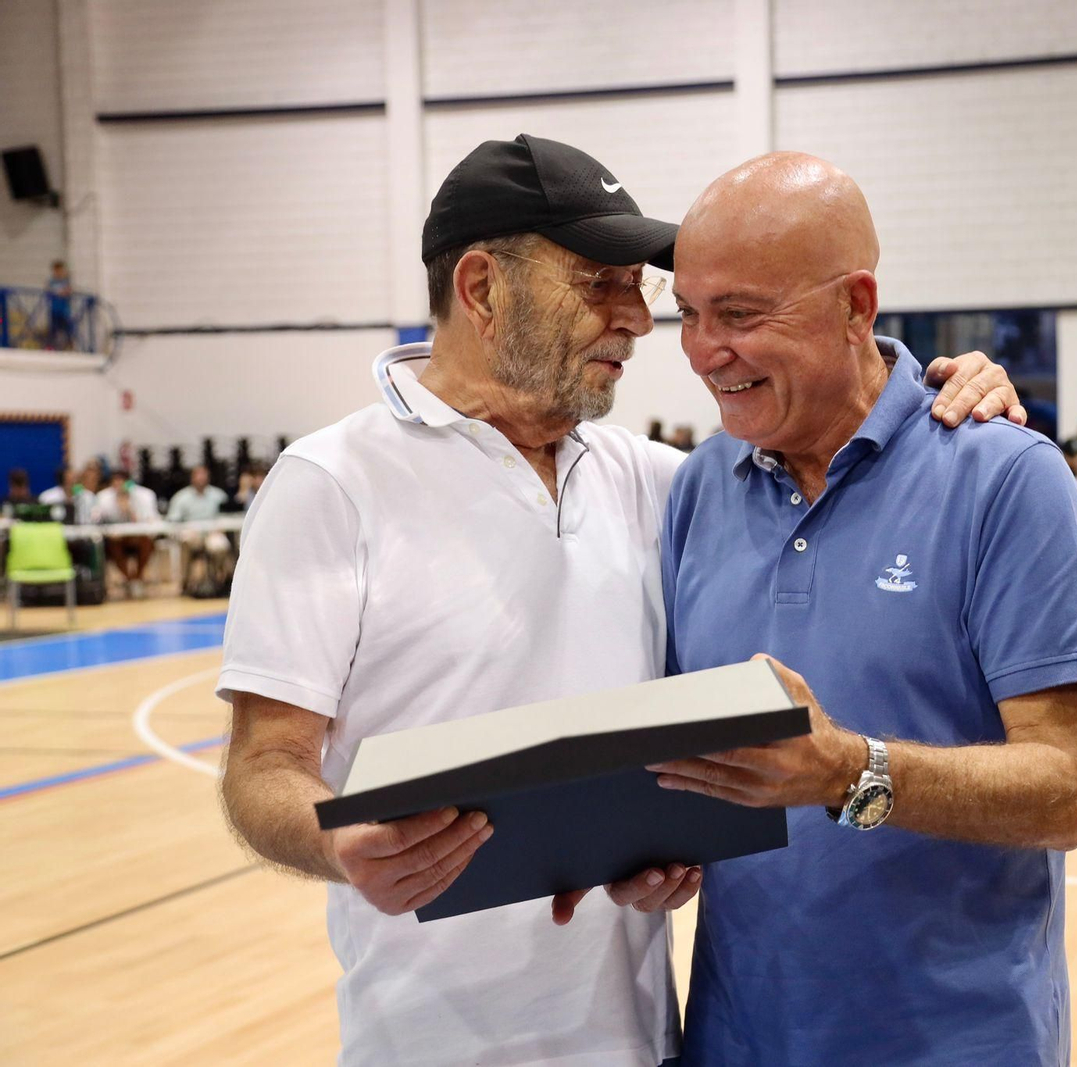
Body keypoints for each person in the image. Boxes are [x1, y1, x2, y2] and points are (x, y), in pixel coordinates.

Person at [215, 134, 1022, 1067]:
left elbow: (832, 432)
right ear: (481, 288)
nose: (638, 320)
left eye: (639, 288)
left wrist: (937, 391)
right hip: (431, 1040)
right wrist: (342, 842)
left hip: (645, 1039)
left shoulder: (665, 484)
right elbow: (263, 767)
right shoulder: (331, 483)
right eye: (599, 282)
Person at [654, 152, 1077, 1066]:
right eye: (690, 315)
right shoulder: (698, 487)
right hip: (736, 1037)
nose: (706, 349)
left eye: (741, 314)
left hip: (955, 1040)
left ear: (856, 306)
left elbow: (1062, 792)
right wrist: (646, 849)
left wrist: (847, 771)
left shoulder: (1004, 476)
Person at [166, 465, 232, 590]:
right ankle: (186, 582)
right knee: (187, 542)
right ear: (192, 478)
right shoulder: (181, 497)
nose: (201, 478)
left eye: (203, 475)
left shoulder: (218, 495)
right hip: (191, 533)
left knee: (220, 546)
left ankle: (218, 579)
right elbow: (173, 519)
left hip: (213, 532)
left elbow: (226, 517)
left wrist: (220, 527)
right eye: (198, 475)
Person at [94, 470, 158, 597]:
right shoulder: (103, 497)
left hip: (139, 537)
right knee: (113, 544)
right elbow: (97, 520)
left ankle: (137, 577)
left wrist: (129, 510)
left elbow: (151, 520)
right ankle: (130, 579)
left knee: (146, 542)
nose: (119, 485)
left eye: (122, 481)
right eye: (115, 481)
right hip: (116, 539)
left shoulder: (145, 495)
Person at [45, 261, 73, 352]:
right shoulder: (52, 281)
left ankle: (69, 346)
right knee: (53, 329)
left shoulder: (65, 280)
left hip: (64, 309)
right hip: (54, 309)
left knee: (67, 329)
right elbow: (50, 291)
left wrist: (64, 292)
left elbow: (68, 291)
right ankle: (51, 347)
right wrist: (60, 292)